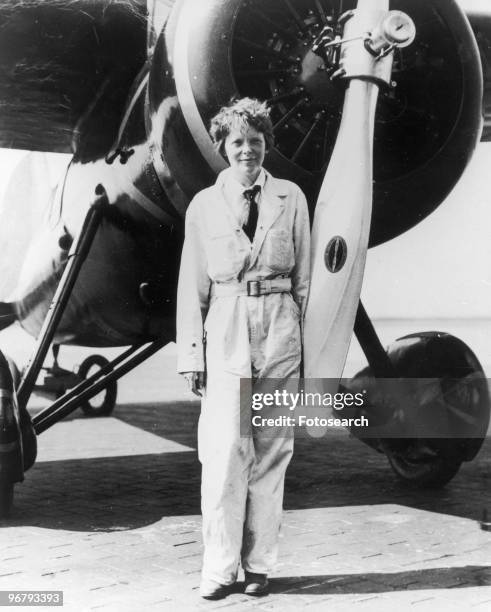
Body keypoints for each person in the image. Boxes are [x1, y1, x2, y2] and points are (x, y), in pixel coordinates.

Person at [176, 97, 310, 599]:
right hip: (227, 327)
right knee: (225, 455)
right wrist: (192, 355)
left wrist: (306, 348)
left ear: (266, 145)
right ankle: (219, 568)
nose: (247, 151)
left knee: (273, 453)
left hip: (280, 329)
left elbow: (305, 281)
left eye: (256, 141)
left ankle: (259, 567)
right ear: (223, 148)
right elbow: (193, 286)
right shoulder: (204, 206)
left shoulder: (291, 198)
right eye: (238, 142)